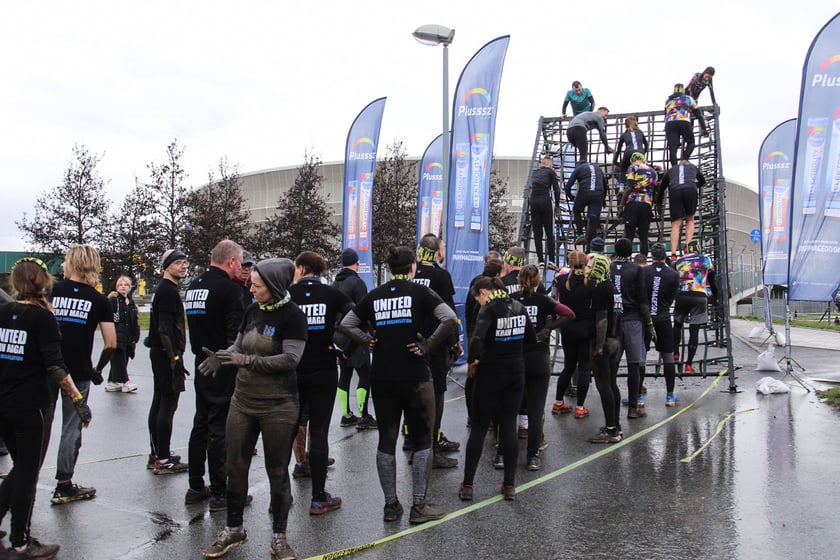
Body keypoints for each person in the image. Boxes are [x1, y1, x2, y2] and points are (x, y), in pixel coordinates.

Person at [337, 246, 458, 525]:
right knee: (422, 440)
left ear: (390, 269)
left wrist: (368, 341)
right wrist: (427, 344)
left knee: (387, 440)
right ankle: (419, 505)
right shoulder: (420, 292)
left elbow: (346, 324)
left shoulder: (375, 295)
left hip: (383, 376)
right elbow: (449, 318)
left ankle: (391, 506)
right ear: (412, 267)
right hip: (415, 376)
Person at [199, 257, 307, 559]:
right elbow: (238, 346)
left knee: (276, 470)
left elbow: (290, 359)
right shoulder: (251, 310)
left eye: (257, 285)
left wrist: (246, 361)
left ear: (273, 286)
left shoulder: (293, 316)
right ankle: (234, 530)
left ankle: (279, 536)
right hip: (243, 401)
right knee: (235, 466)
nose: (251, 288)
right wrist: (223, 356)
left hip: (279, 405)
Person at [0, 258, 93, 558]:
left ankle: (16, 535)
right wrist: (78, 401)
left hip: (4, 403)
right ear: (43, 283)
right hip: (31, 406)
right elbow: (55, 365)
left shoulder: (4, 312)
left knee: (20, 470)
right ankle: (20, 542)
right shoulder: (42, 319)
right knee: (27, 474)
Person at [458, 276, 535, 502]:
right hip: (515, 372)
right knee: (509, 426)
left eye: (477, 299)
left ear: (484, 292)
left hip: (490, 372)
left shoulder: (489, 309)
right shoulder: (520, 307)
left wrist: (472, 361)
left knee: (480, 427)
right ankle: (509, 484)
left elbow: (476, 339)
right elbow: (531, 339)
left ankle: (468, 484)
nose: (478, 303)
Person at [288, 250, 353, 515]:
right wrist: (340, 345)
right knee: (319, 432)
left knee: (288, 430)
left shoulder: (288, 295)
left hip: (293, 369)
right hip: (323, 369)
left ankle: (278, 496)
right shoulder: (332, 294)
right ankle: (318, 497)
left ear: (301, 268)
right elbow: (355, 315)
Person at [50, 244, 116, 504]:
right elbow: (111, 343)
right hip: (78, 371)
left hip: (47, 367)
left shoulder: (51, 291)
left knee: (37, 427)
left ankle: (22, 481)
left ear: (72, 262)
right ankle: (64, 484)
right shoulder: (99, 300)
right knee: (71, 427)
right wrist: (98, 369)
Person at [184, 240, 245, 510]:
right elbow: (235, 333)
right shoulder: (230, 290)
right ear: (230, 261)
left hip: (201, 361)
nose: (242, 267)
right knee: (219, 427)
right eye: (240, 262)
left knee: (201, 423)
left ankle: (196, 485)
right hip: (221, 362)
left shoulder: (194, 286)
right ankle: (221, 493)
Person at [514, 265, 573, 471]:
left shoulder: (511, 299)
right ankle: (532, 457)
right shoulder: (543, 300)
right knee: (536, 409)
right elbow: (568, 314)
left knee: (509, 408)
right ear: (538, 280)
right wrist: (548, 328)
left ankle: (502, 454)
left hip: (516, 356)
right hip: (538, 357)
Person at [411, 234, 461, 467]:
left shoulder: (411, 275)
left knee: (415, 396)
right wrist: (455, 343)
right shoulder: (440, 276)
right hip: (435, 344)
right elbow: (449, 316)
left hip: (412, 344)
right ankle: (430, 448)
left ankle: (417, 445)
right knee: (436, 396)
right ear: (437, 252)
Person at [147, 249, 190, 474]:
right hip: (166, 354)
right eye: (179, 263)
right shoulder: (167, 291)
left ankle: (157, 452)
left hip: (161, 352)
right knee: (167, 403)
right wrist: (175, 358)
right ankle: (163, 459)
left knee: (159, 400)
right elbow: (165, 328)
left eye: (185, 263)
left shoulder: (165, 289)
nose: (183, 266)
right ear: (167, 266)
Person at [609, 238, 654, 419]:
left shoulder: (609, 268)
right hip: (633, 320)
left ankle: (611, 406)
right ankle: (633, 408)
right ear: (630, 253)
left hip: (613, 320)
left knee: (612, 365)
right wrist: (649, 323)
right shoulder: (636, 269)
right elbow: (643, 298)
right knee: (634, 365)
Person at [332, 248, 376, 429]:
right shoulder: (358, 283)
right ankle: (364, 415)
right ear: (357, 263)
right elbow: (364, 311)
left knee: (345, 375)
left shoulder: (334, 284)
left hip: (337, 334)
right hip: (355, 334)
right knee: (365, 374)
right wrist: (371, 331)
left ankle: (346, 414)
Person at [585, 253, 623, 443]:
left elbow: (602, 320)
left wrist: (598, 347)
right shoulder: (613, 287)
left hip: (604, 342)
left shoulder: (601, 289)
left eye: (590, 267)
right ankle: (615, 424)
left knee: (604, 385)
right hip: (615, 340)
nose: (587, 270)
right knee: (612, 383)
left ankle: (610, 430)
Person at [552, 251, 595, 418]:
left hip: (567, 327)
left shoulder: (561, 280)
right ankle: (580, 406)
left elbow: (555, 299)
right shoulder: (591, 282)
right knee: (584, 367)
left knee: (569, 366)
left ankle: (558, 402)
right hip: (585, 327)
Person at [641, 243, 681, 406]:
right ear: (664, 257)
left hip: (646, 318)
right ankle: (670, 395)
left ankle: (638, 397)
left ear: (652, 257)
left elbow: (640, 294)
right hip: (663, 318)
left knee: (640, 357)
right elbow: (672, 296)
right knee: (667, 357)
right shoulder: (673, 274)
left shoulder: (643, 272)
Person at [673, 240, 717, 374]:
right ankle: (688, 364)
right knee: (694, 331)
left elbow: (674, 278)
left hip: (682, 295)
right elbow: (712, 280)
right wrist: (714, 295)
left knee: (677, 324)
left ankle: (675, 353)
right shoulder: (706, 260)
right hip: (699, 296)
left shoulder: (679, 261)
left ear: (686, 250)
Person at [657, 159, 706, 254]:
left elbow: (662, 188)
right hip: (690, 190)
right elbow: (702, 181)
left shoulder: (671, 170)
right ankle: (688, 245)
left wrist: (659, 203)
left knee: (676, 224)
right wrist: (694, 185)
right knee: (690, 219)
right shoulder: (692, 167)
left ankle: (673, 253)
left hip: (675, 190)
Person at [105, 275, 141, 393]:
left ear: (130, 287)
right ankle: (126, 381)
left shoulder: (131, 302)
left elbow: (134, 320)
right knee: (119, 358)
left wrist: (136, 335)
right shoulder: (114, 301)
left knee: (124, 359)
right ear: (117, 287)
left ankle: (112, 381)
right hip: (117, 335)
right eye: (121, 285)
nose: (123, 287)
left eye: (126, 285)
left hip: (128, 336)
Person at [619, 152, 658, 256]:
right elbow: (655, 190)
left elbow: (628, 187)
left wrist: (621, 206)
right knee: (643, 236)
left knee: (629, 235)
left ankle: (626, 260)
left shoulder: (633, 168)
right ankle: (643, 261)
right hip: (646, 204)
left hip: (633, 203)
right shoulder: (653, 171)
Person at [565, 160, 607, 250]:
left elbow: (568, 186)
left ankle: (580, 234)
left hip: (584, 193)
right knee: (592, 221)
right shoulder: (598, 168)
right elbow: (605, 185)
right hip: (598, 194)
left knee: (576, 210)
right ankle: (589, 249)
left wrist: (571, 197)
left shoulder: (578, 169)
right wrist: (603, 200)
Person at [528, 156, 562, 268]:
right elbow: (557, 190)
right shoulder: (550, 172)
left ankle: (541, 261)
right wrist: (557, 205)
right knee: (549, 232)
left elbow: (529, 188)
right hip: (544, 200)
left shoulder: (534, 173)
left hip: (533, 201)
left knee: (537, 233)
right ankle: (551, 260)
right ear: (550, 165)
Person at [664, 84, 708, 165]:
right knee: (691, 142)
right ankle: (684, 159)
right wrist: (704, 128)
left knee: (672, 149)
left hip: (670, 123)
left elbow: (665, 114)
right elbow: (698, 114)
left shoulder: (668, 101)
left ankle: (674, 168)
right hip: (683, 121)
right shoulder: (688, 98)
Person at [613, 115, 648, 192]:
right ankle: (642, 185)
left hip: (628, 152)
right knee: (642, 168)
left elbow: (618, 149)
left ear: (626, 125)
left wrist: (615, 161)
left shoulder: (624, 134)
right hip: (640, 152)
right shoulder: (640, 132)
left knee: (623, 169)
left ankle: (621, 187)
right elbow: (646, 144)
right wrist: (643, 153)